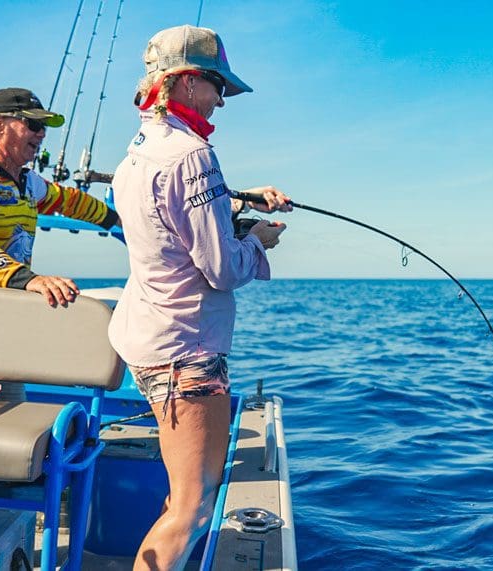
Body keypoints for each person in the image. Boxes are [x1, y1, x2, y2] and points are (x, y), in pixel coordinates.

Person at [107, 24, 291, 571]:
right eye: (216, 86)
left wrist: (236, 203)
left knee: (180, 492)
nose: (221, 100)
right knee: (193, 504)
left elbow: (174, 230)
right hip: (185, 349)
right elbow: (219, 269)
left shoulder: (136, 154)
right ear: (186, 82)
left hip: (147, 338)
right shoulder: (193, 156)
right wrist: (256, 239)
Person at [0, 87, 120, 307]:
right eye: (33, 124)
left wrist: (120, 220)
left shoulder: (28, 182)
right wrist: (27, 280)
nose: (42, 134)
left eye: (43, 127)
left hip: (8, 302)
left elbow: (72, 201)